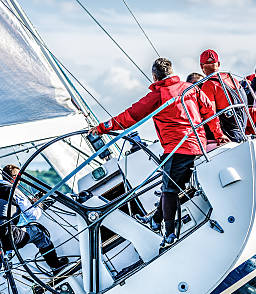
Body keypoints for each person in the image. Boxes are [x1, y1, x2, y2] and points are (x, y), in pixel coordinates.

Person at [89, 57, 219, 247]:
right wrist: (217, 134)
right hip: (197, 144)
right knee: (172, 185)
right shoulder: (190, 88)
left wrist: (102, 128)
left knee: (169, 189)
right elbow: (209, 109)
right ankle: (155, 220)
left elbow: (129, 117)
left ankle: (169, 233)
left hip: (178, 148)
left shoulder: (158, 95)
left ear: (154, 76)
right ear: (172, 71)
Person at [0, 165, 68, 294]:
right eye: (19, 178)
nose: (20, 181)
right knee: (38, 231)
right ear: (14, 178)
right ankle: (56, 266)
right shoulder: (13, 191)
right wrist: (39, 204)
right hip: (6, 235)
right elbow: (33, 215)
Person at [198, 49, 248, 143]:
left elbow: (210, 113)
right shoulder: (233, 79)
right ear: (219, 64)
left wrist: (219, 135)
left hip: (229, 135)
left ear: (201, 66)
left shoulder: (209, 85)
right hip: (242, 131)